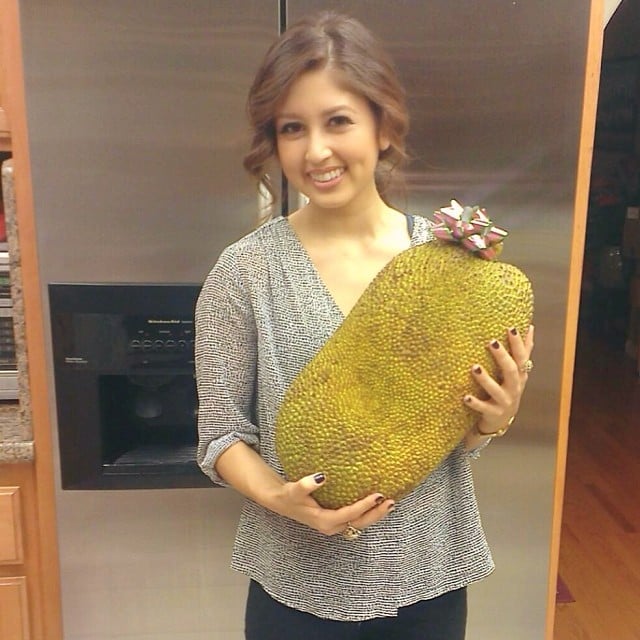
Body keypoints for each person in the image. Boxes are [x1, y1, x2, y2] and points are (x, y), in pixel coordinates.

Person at [195, 11, 534, 640]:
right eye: (292, 128)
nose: (315, 150)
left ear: (383, 126)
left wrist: (492, 420)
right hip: (295, 583)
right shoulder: (242, 272)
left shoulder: (450, 261)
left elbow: (447, 432)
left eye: (338, 122)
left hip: (427, 573)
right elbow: (218, 436)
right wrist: (280, 499)